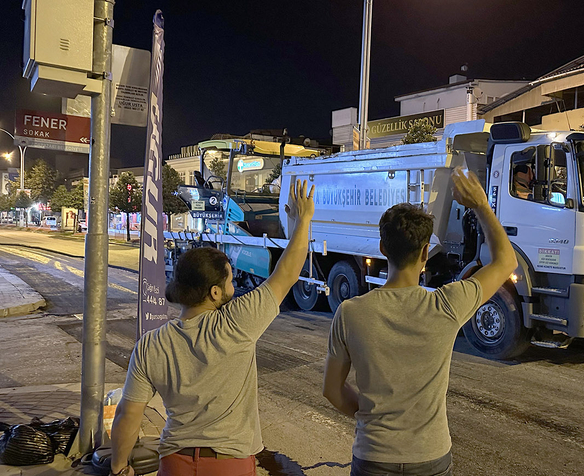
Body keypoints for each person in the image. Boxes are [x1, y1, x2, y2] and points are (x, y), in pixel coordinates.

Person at [108, 179, 315, 476]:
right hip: (229, 464)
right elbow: (288, 273)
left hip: (174, 464)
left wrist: (118, 466)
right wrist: (302, 221)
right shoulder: (236, 323)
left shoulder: (151, 344)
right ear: (215, 292)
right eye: (230, 281)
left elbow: (128, 413)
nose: (234, 286)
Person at [322, 168, 517, 476]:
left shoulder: (350, 312)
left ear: (383, 248)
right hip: (431, 458)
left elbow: (332, 391)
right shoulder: (448, 305)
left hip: (373, 457)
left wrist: (374, 418)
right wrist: (480, 204)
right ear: (426, 252)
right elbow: (506, 261)